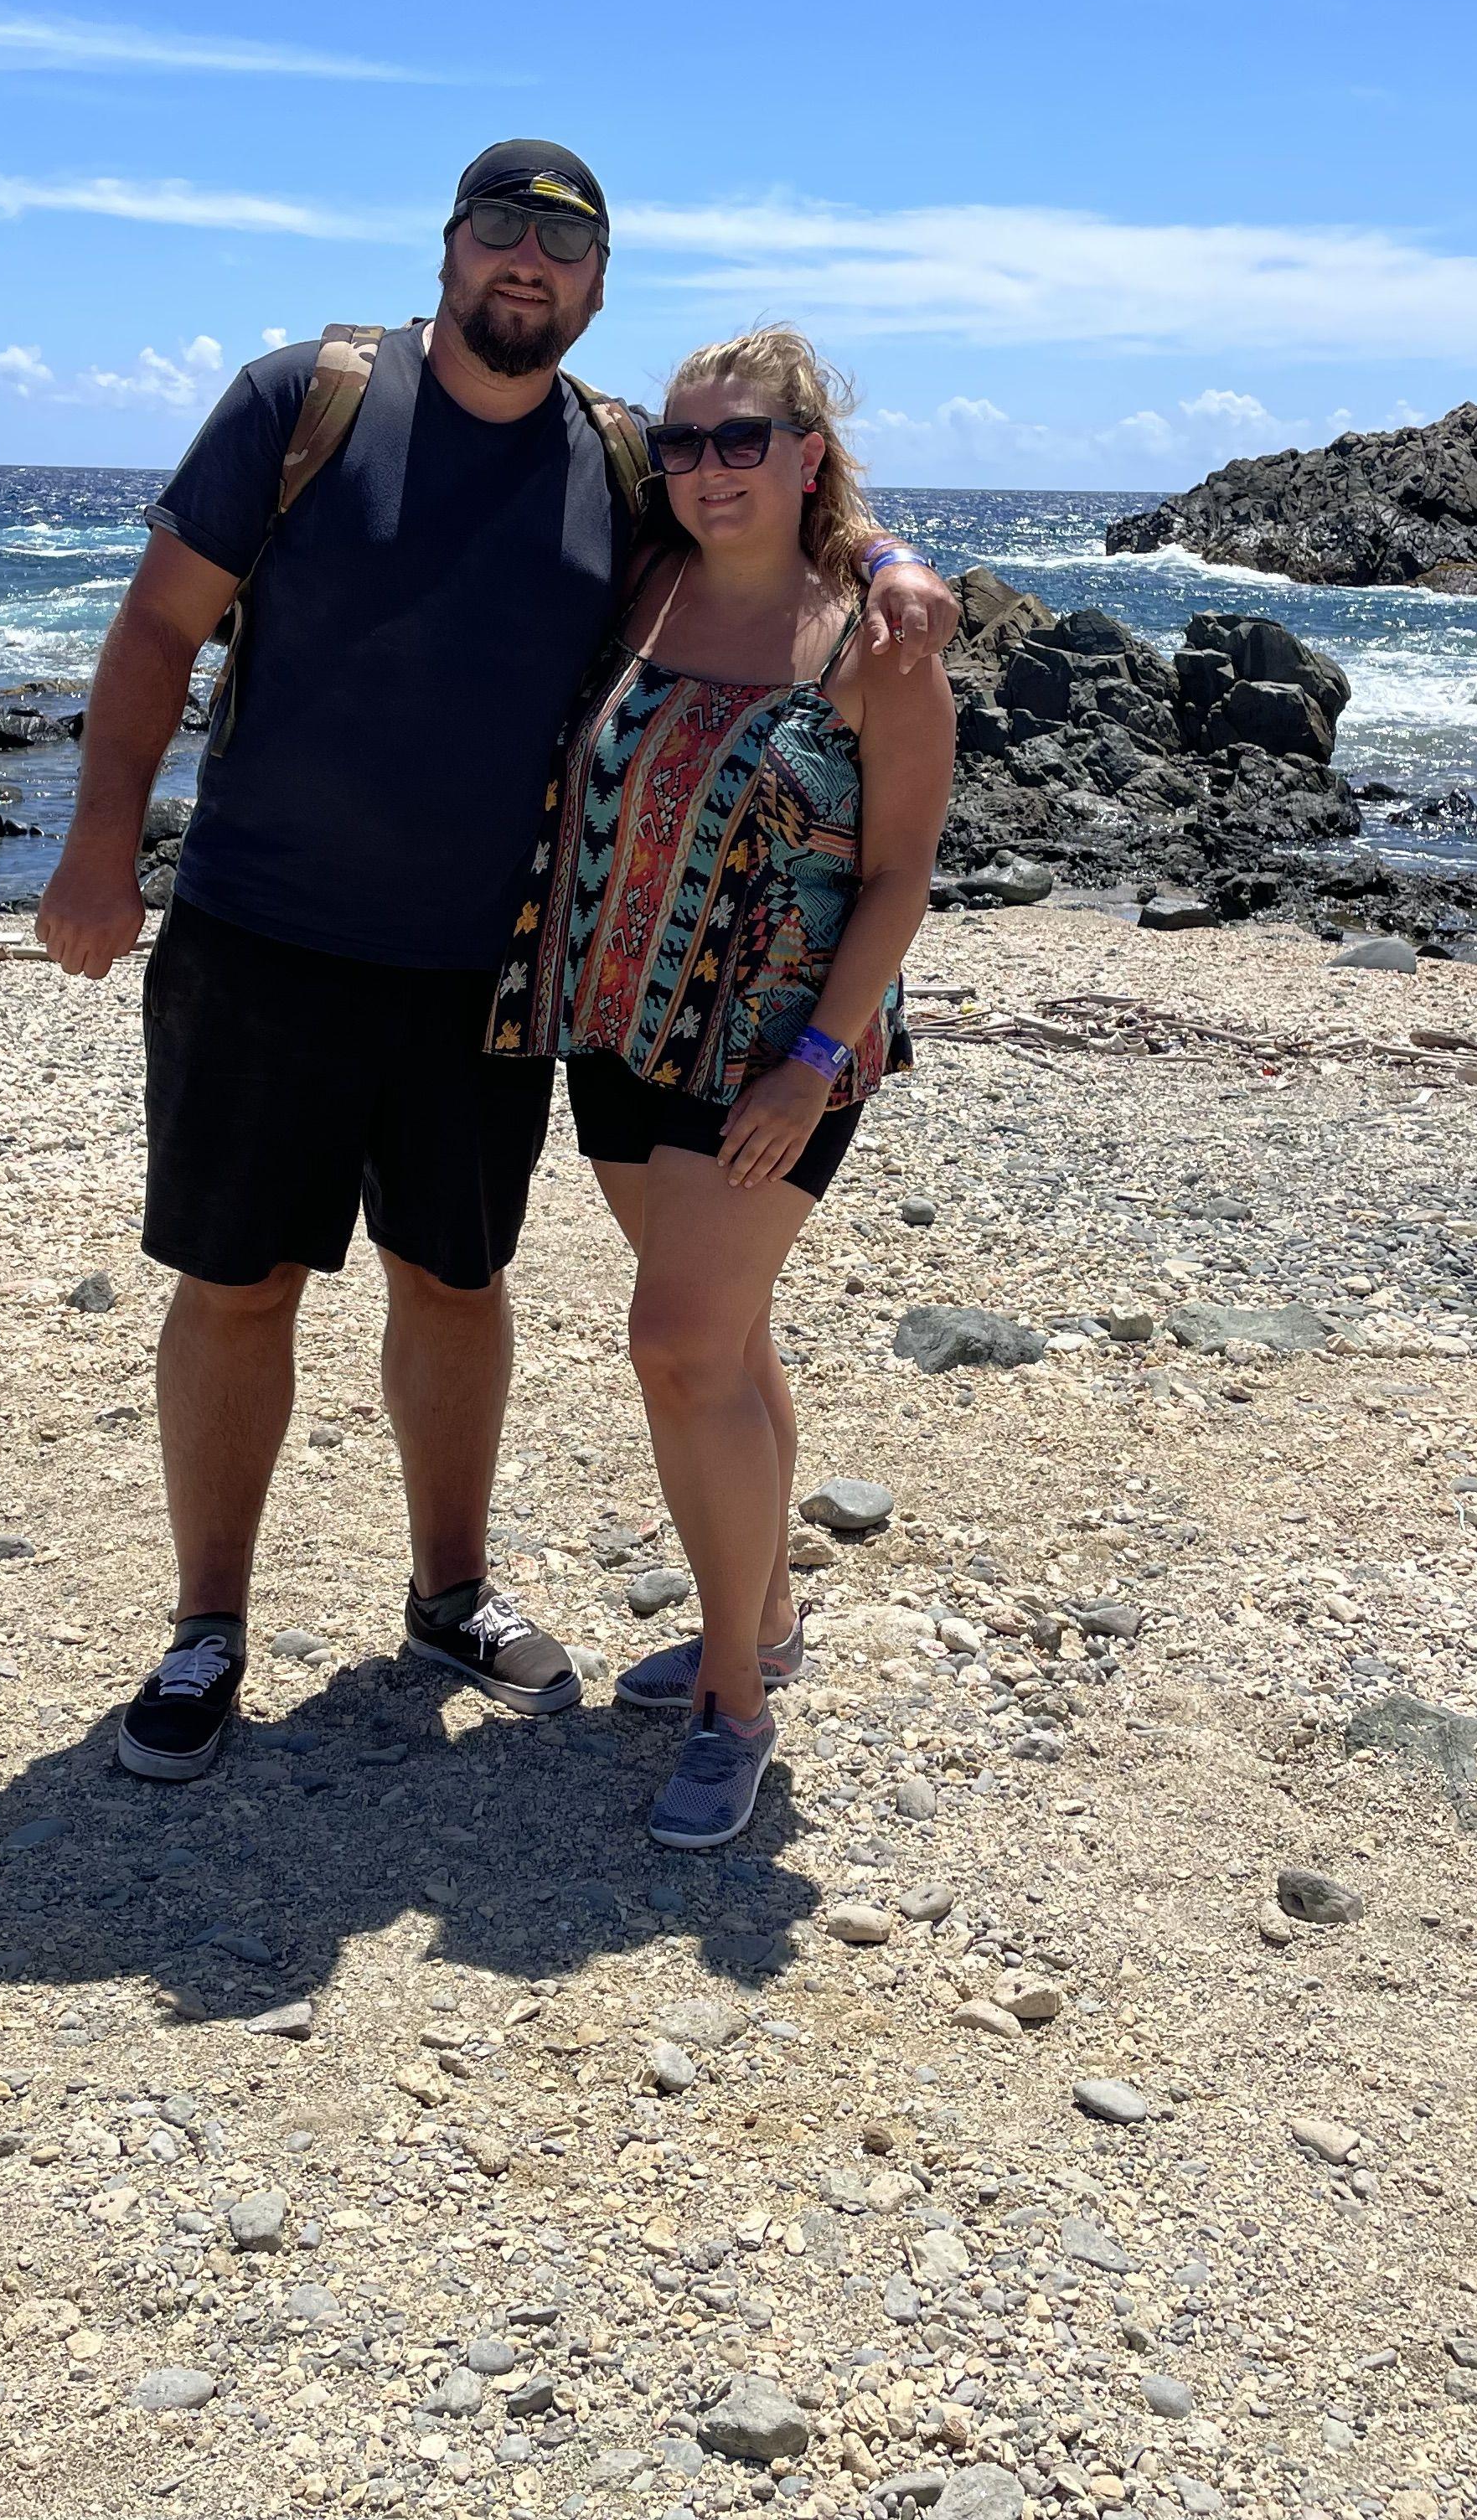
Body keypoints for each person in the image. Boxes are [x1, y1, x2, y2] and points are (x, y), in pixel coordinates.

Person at [32, 142, 959, 1786]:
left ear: (596, 287)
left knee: (457, 1280)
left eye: (563, 243)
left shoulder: (615, 464)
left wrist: (888, 562)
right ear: (448, 248)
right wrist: (102, 842)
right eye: (498, 230)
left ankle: (451, 1588)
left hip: (496, 977)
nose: (526, 261)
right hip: (266, 935)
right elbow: (162, 625)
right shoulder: (301, 401)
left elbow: (798, 560)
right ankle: (206, 1628)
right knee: (237, 1283)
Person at [489, 327, 956, 1849]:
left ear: (808, 450)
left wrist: (817, 1063)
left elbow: (899, 882)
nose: (704, 468)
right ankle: (759, 1620)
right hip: (619, 1023)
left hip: (773, 1058)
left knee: (677, 1347)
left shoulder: (879, 645)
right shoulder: (650, 581)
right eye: (684, 444)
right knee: (728, 1334)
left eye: (741, 439)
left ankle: (734, 1707)